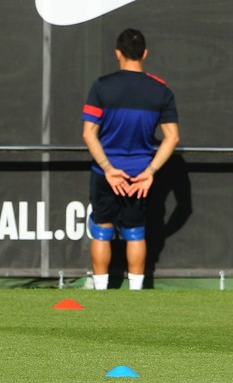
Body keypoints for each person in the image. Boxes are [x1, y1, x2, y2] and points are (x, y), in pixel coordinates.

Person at [82, 28, 180, 290]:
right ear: (145, 53)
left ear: (117, 53)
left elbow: (88, 133)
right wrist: (150, 171)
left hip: (106, 175)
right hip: (139, 177)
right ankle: (136, 296)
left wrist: (108, 168)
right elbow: (172, 137)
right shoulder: (161, 90)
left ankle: (100, 293)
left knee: (102, 230)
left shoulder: (102, 86)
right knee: (135, 233)